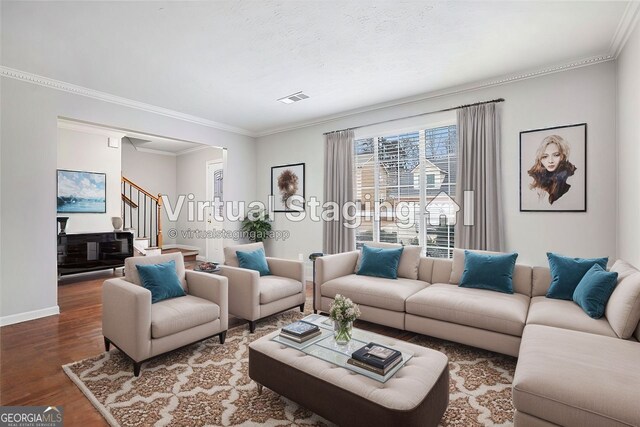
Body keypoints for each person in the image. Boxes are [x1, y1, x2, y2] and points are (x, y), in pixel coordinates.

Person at [527, 135, 576, 204]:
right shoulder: (536, 180)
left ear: (562, 156)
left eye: (556, 155)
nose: (550, 161)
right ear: (540, 159)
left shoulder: (571, 179)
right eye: (545, 156)